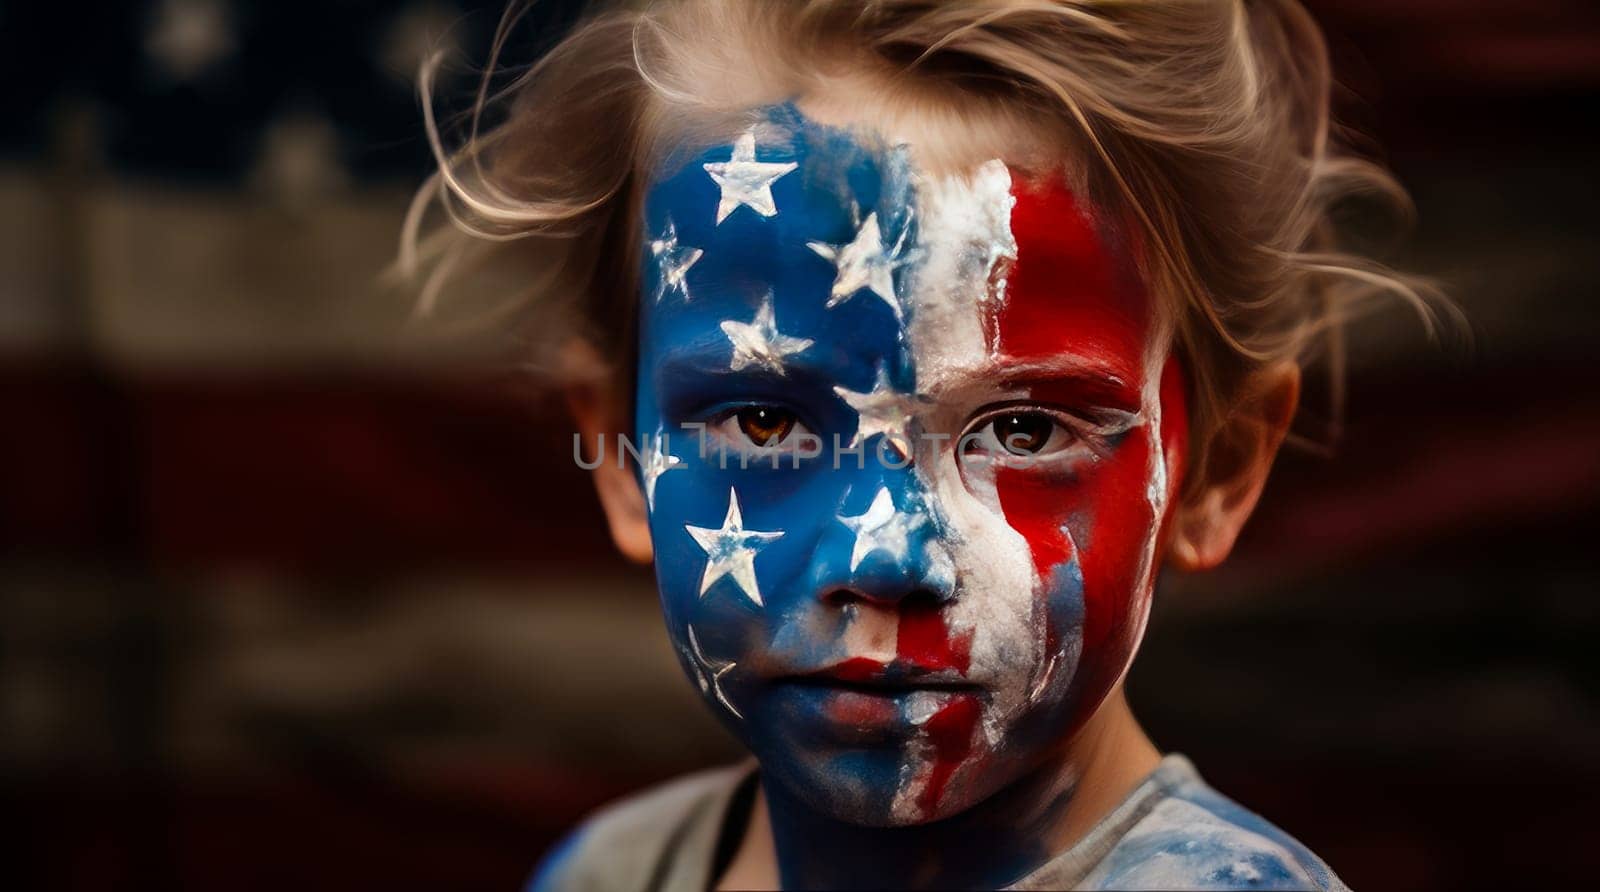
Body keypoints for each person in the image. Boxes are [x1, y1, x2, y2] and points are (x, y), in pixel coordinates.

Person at [407, 1, 1441, 888]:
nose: (884, 556)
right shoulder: (613, 872)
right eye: (763, 420)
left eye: (1023, 429)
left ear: (1213, 469)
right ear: (620, 453)